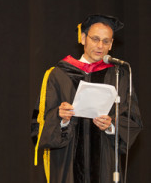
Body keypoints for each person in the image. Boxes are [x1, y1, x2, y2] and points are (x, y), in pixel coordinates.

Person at [31, 14, 142, 183]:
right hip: (67, 165)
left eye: (106, 41)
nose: (100, 46)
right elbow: (39, 124)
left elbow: (133, 120)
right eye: (95, 39)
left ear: (111, 44)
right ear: (83, 38)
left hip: (104, 164)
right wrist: (61, 118)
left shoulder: (119, 75)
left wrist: (111, 125)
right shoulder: (58, 74)